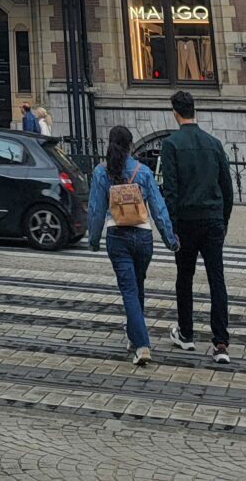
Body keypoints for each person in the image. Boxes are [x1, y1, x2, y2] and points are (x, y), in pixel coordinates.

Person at [87, 124, 178, 367]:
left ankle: (141, 344)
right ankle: (133, 334)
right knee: (137, 287)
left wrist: (93, 239)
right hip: (143, 236)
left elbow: (96, 211)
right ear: (130, 146)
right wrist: (170, 239)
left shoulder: (101, 172)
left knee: (128, 290)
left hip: (117, 236)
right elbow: (158, 209)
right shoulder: (144, 172)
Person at [160, 89, 235, 365]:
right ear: (195, 111)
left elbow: (171, 190)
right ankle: (221, 343)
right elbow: (227, 187)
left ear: (175, 113)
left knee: (185, 278)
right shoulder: (214, 143)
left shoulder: (171, 144)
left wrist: (172, 227)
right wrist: (223, 219)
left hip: (187, 222)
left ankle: (187, 333)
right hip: (213, 219)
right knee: (217, 279)